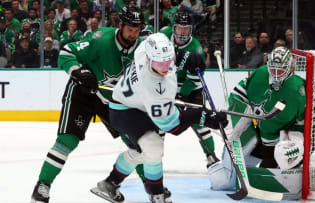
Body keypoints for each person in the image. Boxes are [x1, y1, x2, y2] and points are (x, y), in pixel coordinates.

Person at [91, 32, 228, 203]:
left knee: (141, 150)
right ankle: (156, 194)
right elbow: (173, 126)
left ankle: (109, 184)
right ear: (149, 59)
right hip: (124, 110)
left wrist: (182, 57)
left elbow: (158, 41)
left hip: (135, 103)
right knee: (153, 147)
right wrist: (202, 116)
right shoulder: (156, 88)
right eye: (160, 61)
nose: (165, 66)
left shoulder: (144, 49)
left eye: (168, 59)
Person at [30, 5, 145, 203]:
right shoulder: (99, 39)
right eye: (130, 29)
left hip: (112, 99)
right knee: (67, 140)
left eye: (137, 30)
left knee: (138, 144)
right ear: (120, 25)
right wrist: (78, 71)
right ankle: (42, 185)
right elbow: (66, 52)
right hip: (82, 92)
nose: (133, 34)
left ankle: (139, 188)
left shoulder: (142, 50)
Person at [210, 46, 306, 198]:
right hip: (260, 131)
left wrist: (298, 142)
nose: (275, 74)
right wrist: (231, 117)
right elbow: (240, 94)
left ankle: (294, 175)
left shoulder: (298, 90)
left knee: (282, 155)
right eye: (272, 68)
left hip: (282, 136)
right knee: (229, 165)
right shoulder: (260, 74)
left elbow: (303, 122)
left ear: (290, 68)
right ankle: (223, 171)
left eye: (280, 70)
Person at [160, 8, 220, 171]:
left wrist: (182, 93)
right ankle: (154, 155)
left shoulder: (196, 48)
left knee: (200, 121)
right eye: (180, 28)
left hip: (192, 87)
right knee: (160, 120)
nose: (183, 32)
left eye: (186, 29)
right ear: (174, 28)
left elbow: (194, 78)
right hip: (168, 85)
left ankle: (211, 157)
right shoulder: (162, 36)